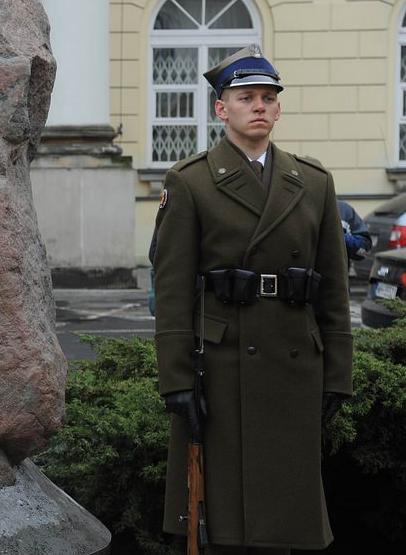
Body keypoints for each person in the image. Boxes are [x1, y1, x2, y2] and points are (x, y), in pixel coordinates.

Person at [152, 45, 353, 553]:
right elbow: (173, 291)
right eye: (246, 97)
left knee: (283, 518)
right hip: (219, 367)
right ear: (223, 108)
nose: (259, 105)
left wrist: (338, 375)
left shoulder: (312, 182)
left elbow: (332, 287)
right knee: (220, 521)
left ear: (279, 108)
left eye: (268, 97)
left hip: (293, 364)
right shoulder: (191, 181)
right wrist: (175, 379)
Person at [338, 199, 371, 276]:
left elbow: (365, 247)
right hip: (308, 280)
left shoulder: (344, 210)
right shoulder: (305, 206)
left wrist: (340, 238)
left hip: (338, 281)